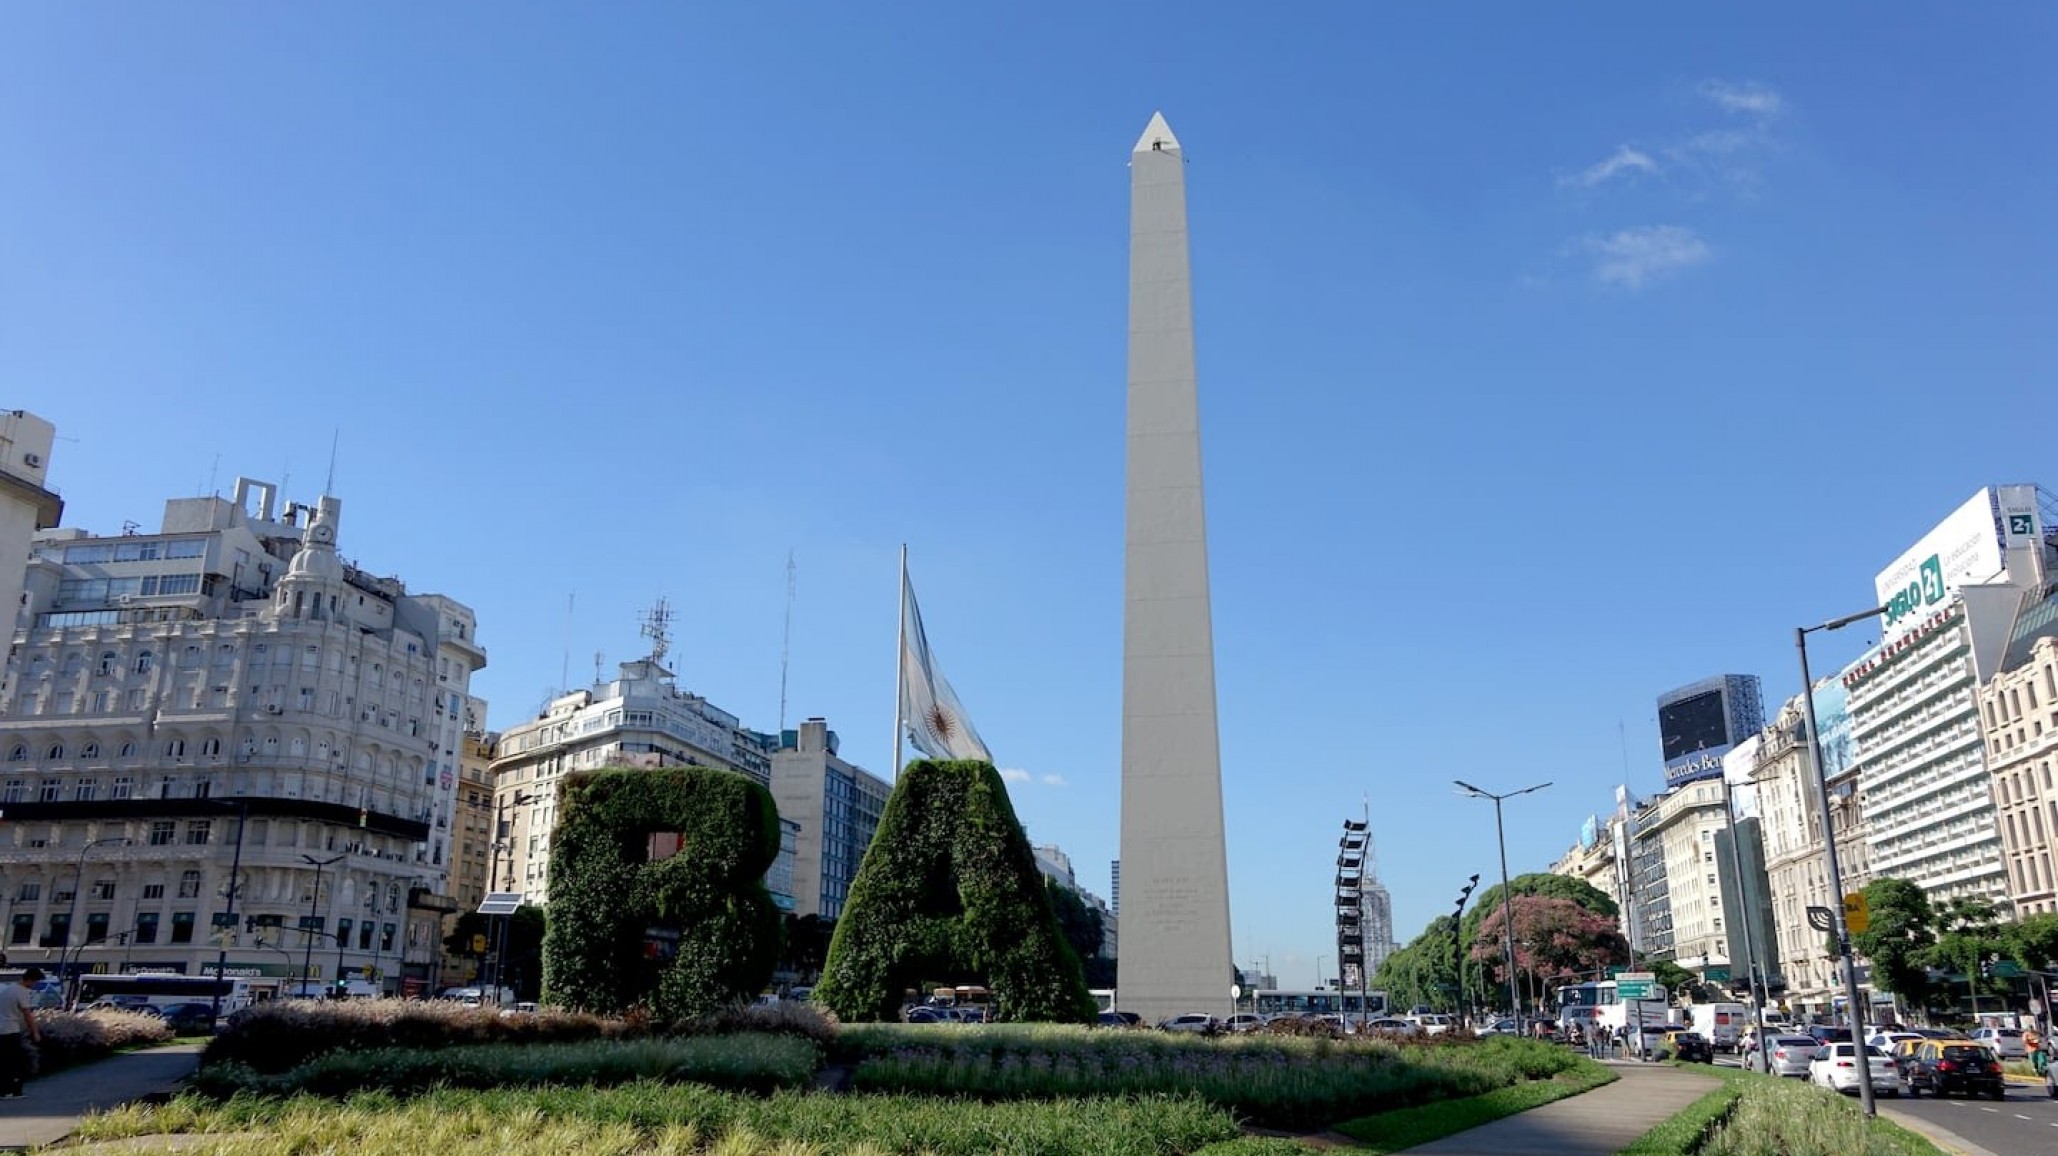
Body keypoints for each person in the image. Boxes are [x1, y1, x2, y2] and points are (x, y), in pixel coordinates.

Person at [0, 967, 44, 1098]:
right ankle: (14, 1090)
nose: (35, 986)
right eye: (35, 982)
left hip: (1, 1028)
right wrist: (35, 1032)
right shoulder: (23, 992)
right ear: (31, 980)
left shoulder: (9, 989)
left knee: (3, 1060)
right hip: (11, 1029)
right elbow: (27, 1014)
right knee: (16, 1061)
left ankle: (2, 1090)